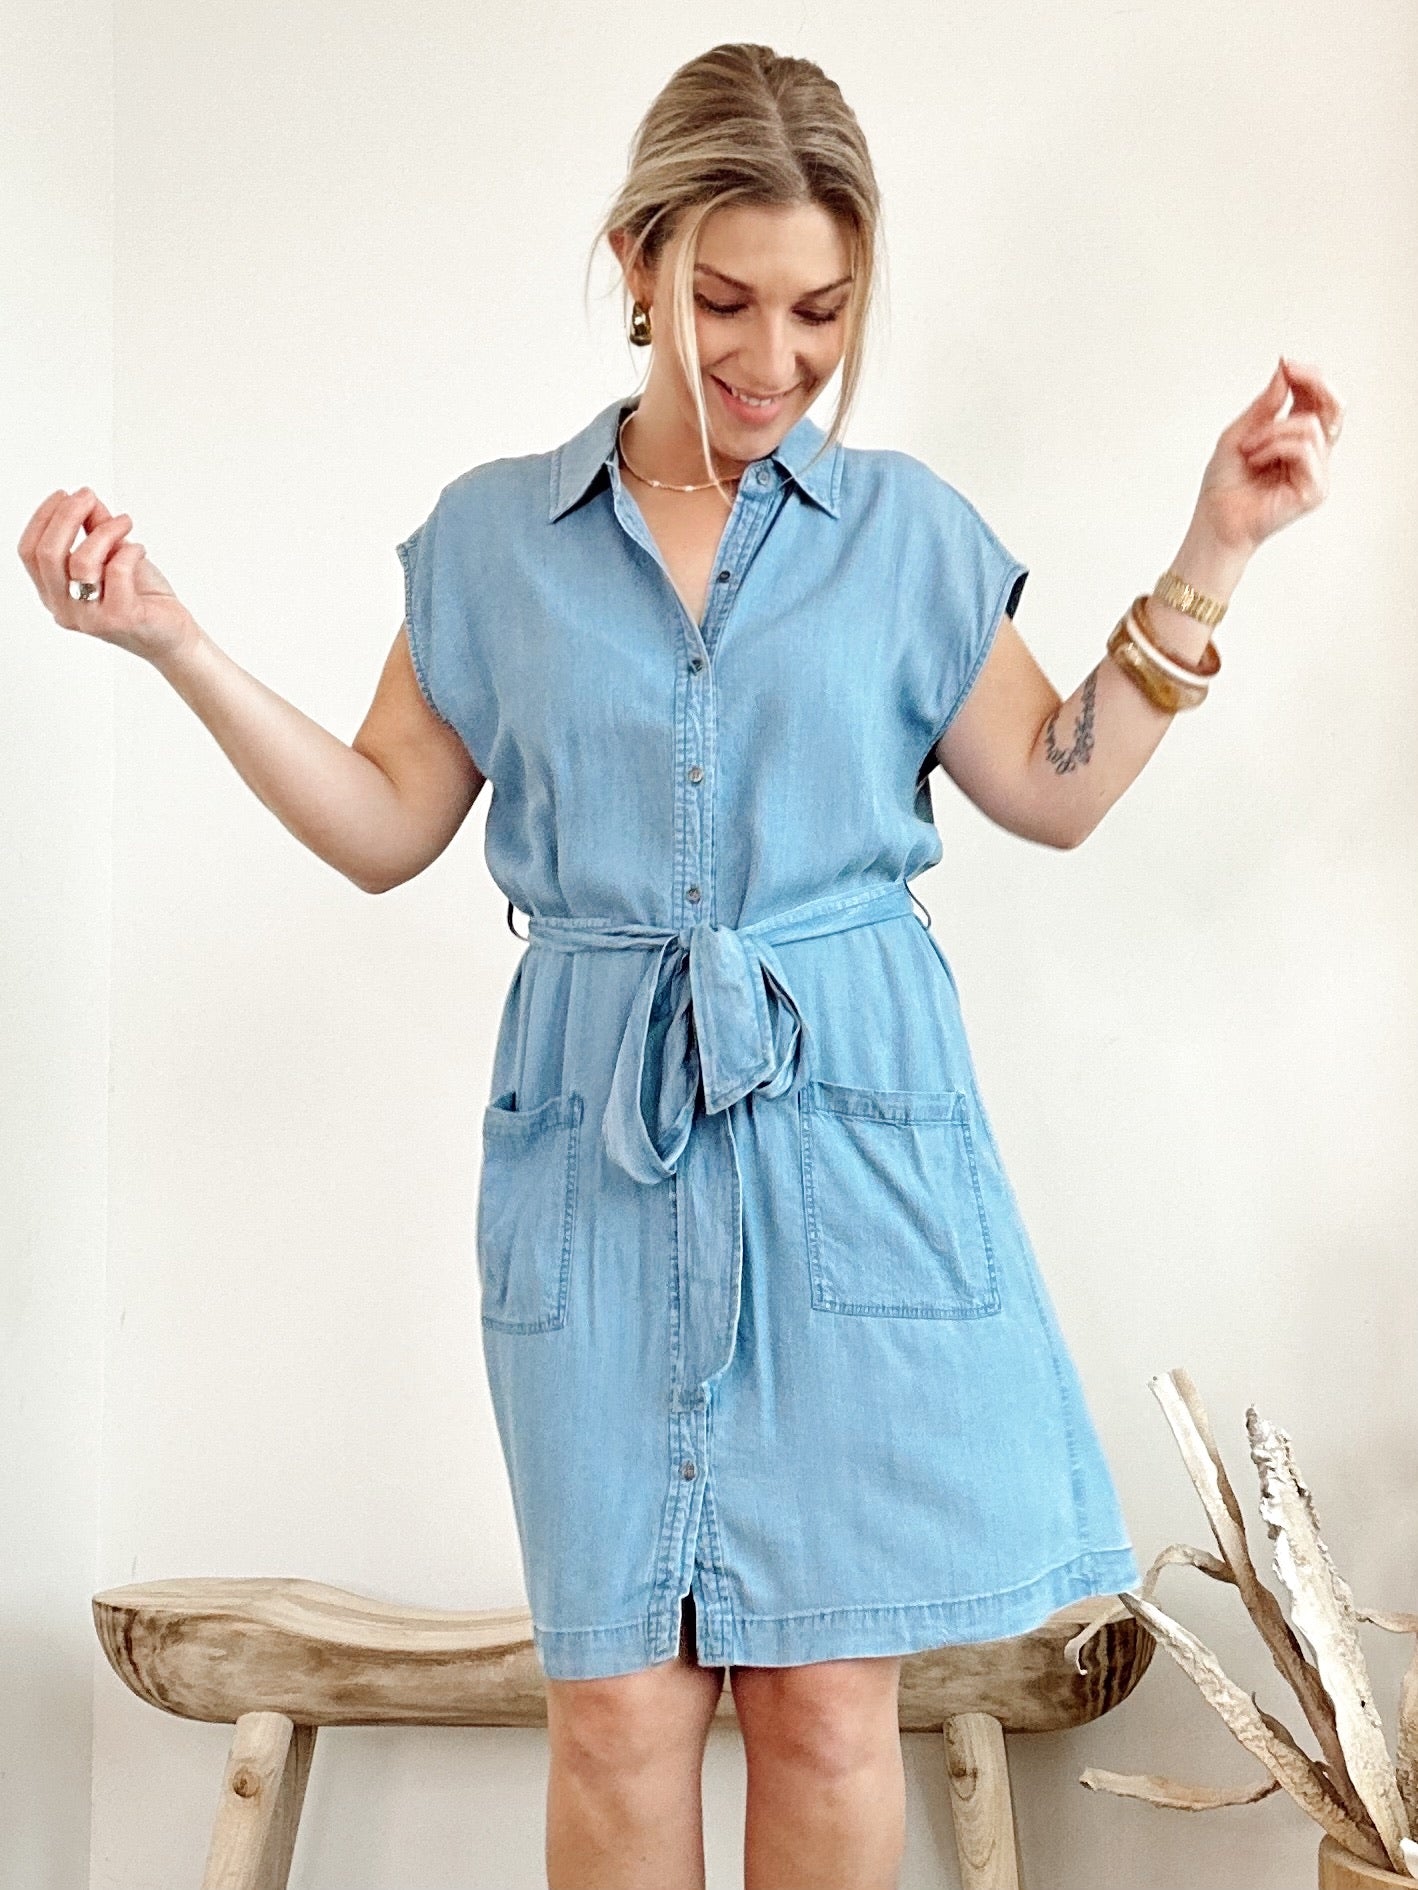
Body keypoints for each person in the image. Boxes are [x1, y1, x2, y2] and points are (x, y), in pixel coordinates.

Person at [18, 38, 1343, 1890]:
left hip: (848, 1152)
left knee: (823, 1702)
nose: (772, 357)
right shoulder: (495, 538)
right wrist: (173, 640)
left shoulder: (903, 535)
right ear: (634, 260)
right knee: (623, 1704)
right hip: (598, 1155)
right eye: (725, 300)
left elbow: (1058, 786)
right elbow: (387, 820)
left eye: (820, 311)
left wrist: (1218, 539)